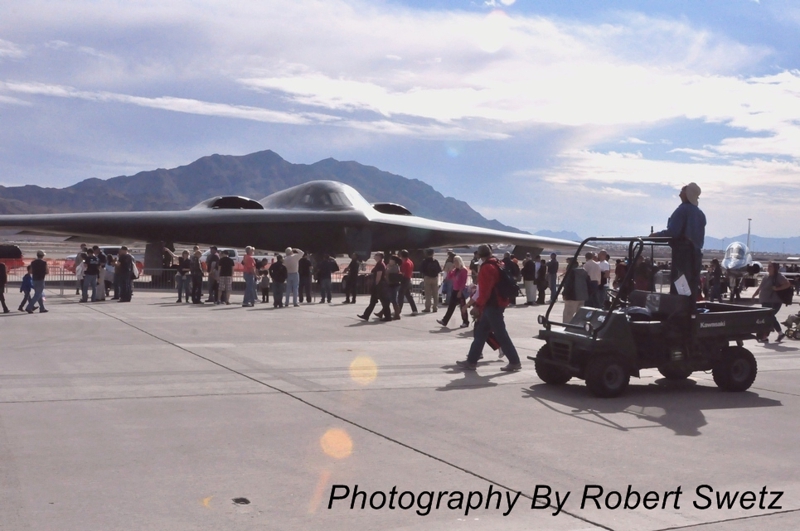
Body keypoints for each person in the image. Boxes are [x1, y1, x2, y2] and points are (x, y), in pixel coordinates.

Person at [456, 244, 522, 372]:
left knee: (500, 333)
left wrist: (477, 306)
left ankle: (514, 361)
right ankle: (471, 360)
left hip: (492, 305)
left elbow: (485, 291)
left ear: (480, 255)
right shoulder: (498, 263)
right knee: (481, 332)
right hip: (498, 302)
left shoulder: (487, 268)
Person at [652, 183, 706, 300]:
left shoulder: (682, 210)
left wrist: (656, 236)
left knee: (680, 286)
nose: (680, 193)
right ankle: (690, 311)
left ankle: (679, 312)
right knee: (691, 286)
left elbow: (673, 232)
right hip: (695, 256)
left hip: (682, 255)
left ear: (688, 194)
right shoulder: (700, 214)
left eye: (682, 190)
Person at [753, 262, 792, 343]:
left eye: (770, 266)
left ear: (775, 268)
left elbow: (787, 284)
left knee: (769, 317)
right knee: (769, 317)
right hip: (765, 301)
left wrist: (777, 289)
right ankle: (773, 334)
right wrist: (754, 295)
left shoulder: (778, 276)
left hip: (774, 301)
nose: (768, 267)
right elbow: (760, 287)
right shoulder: (766, 276)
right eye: (768, 266)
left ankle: (765, 336)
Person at [437, 255, 469, 328]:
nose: (454, 263)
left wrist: (460, 291)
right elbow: (449, 277)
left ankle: (465, 321)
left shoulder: (463, 270)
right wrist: (451, 270)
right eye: (454, 261)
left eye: (456, 261)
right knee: (451, 306)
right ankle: (445, 320)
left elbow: (463, 282)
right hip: (454, 290)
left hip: (460, 291)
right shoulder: (456, 270)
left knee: (462, 307)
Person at [358, 252, 391, 322]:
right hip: (378, 285)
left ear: (379, 256)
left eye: (376, 255)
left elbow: (379, 275)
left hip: (380, 285)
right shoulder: (379, 264)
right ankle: (366, 315)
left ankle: (388, 316)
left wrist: (376, 284)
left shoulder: (380, 264)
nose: (374, 256)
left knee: (384, 301)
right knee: (373, 301)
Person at [562, 257, 590, 323]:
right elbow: (589, 283)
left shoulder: (571, 272)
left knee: (568, 315)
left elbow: (568, 284)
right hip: (582, 297)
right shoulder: (584, 271)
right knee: (579, 316)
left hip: (572, 297)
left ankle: (566, 328)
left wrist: (564, 293)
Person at [398, 250, 418, 315]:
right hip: (408, 278)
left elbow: (403, 273)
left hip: (404, 279)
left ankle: (398, 310)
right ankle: (414, 309)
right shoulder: (410, 262)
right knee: (408, 295)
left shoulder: (405, 263)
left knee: (400, 295)